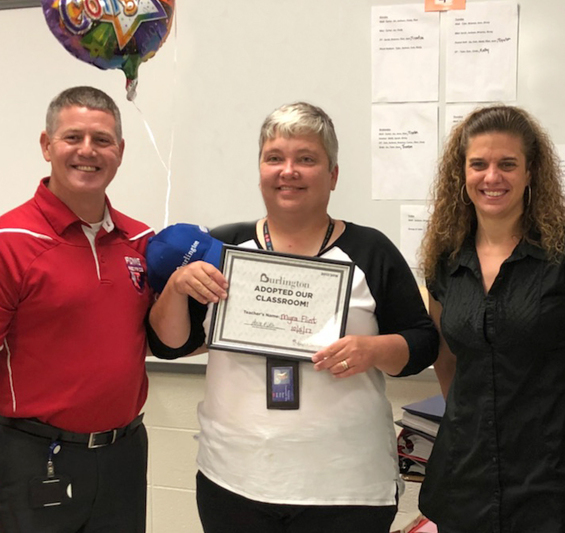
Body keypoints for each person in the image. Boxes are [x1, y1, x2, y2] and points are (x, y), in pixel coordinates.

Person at [146, 102, 438, 533]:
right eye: (275, 158)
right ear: (260, 169)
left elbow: (421, 344)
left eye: (307, 159)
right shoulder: (222, 247)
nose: (289, 170)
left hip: (346, 488)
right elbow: (170, 346)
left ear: (333, 175)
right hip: (235, 482)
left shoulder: (371, 251)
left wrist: (374, 349)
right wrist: (176, 287)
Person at [417, 105, 565, 533]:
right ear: (462, 174)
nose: (492, 177)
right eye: (479, 164)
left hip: (552, 479)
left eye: (507, 164)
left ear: (531, 173)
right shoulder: (446, 260)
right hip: (465, 474)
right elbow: (448, 362)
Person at [0, 86, 153, 532]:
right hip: (32, 459)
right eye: (73, 138)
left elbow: (166, 337)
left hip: (124, 455)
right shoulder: (9, 240)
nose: (88, 151)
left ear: (120, 151)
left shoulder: (143, 242)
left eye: (102, 140)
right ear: (47, 146)